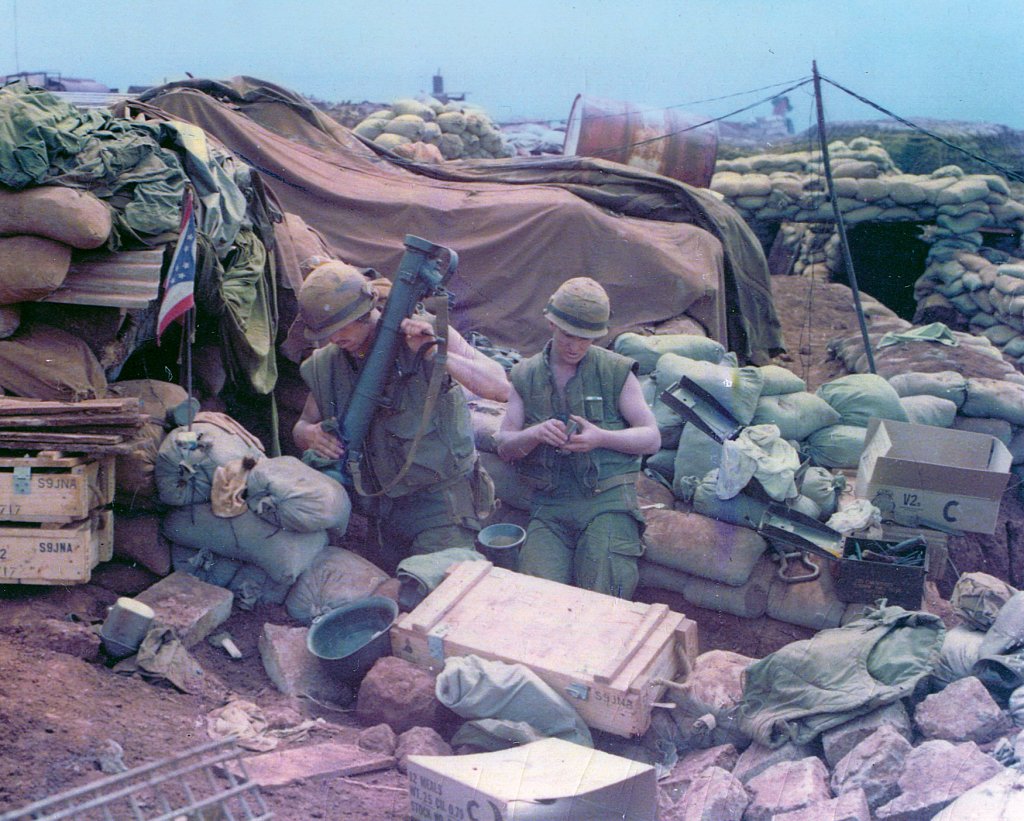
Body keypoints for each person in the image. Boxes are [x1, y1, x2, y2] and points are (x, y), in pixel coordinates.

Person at [293, 260, 510, 567]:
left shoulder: (423, 334)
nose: (334, 338)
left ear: (365, 311)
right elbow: (302, 425)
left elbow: (500, 388)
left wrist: (435, 353)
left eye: (342, 327)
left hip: (441, 508)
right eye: (326, 332)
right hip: (381, 514)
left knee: (433, 585)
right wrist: (310, 435)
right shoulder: (329, 364)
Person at [495, 277, 660, 598]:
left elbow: (651, 437)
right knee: (533, 594)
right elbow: (504, 445)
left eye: (586, 339)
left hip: (607, 502)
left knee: (603, 589)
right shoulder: (526, 375)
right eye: (568, 335)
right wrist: (534, 434)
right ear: (551, 324)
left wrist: (601, 438)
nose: (575, 347)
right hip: (550, 505)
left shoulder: (615, 371)